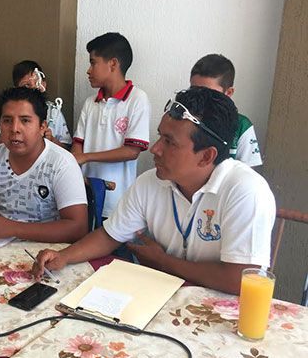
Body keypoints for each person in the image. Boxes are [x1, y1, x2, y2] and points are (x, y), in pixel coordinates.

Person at [34, 87, 276, 295]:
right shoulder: (151, 182)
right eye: (160, 136)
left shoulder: (246, 191)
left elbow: (239, 279)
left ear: (206, 156)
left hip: (216, 316)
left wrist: (163, 261)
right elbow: (110, 236)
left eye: (170, 142)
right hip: (159, 297)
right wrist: (64, 256)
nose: (155, 149)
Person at [0, 87, 88, 243]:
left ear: (42, 127)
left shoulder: (62, 163)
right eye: (7, 120)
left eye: (25, 120)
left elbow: (78, 228)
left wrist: (14, 228)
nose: (14, 129)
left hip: (48, 253)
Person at [72, 32, 150, 218]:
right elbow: (77, 145)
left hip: (117, 203)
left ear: (113, 63)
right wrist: (77, 159)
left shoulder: (137, 99)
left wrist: (86, 157)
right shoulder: (91, 103)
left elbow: (132, 151)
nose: (88, 70)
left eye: (93, 62)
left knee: (113, 247)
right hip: (86, 197)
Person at [190, 53, 262, 167]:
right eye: (194, 90)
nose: (200, 98)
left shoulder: (242, 126)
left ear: (228, 93)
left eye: (209, 93)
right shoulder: (183, 119)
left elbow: (248, 173)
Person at [0, 60, 72, 148]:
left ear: (44, 84)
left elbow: (67, 148)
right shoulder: (13, 112)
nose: (33, 88)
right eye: (26, 86)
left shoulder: (54, 112)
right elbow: (1, 145)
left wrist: (52, 140)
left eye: (37, 83)